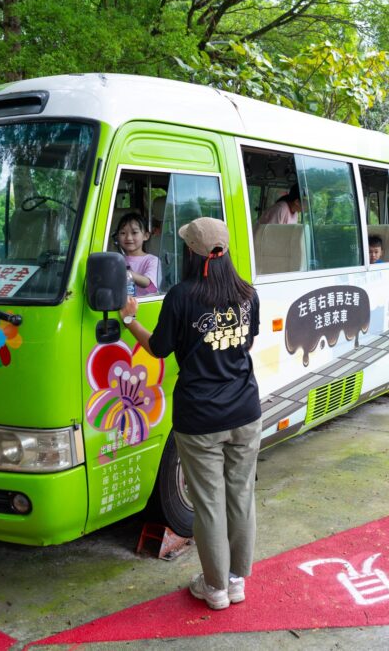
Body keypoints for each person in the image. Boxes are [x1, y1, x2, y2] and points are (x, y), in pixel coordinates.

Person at [119, 217, 261, 611]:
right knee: (241, 496)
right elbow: (244, 344)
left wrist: (128, 318)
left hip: (200, 417)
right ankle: (235, 582)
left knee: (210, 503)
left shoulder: (181, 296)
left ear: (191, 253)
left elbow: (159, 348)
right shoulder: (248, 294)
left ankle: (214, 587)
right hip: (246, 411)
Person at [115, 212, 159, 296]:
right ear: (117, 236)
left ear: (146, 236)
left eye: (134, 233)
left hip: (144, 305)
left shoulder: (152, 260)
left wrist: (128, 274)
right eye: (123, 233)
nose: (128, 238)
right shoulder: (117, 260)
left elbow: (148, 282)